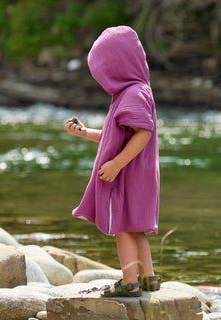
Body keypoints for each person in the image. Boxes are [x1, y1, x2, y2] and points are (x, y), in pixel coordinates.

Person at [65, 26, 160, 297]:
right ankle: (148, 278)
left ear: (118, 66)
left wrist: (117, 163)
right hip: (138, 172)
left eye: (104, 71)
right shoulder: (134, 92)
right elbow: (116, 135)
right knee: (135, 225)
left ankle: (128, 280)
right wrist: (85, 133)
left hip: (128, 172)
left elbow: (143, 133)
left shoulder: (133, 94)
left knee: (122, 226)